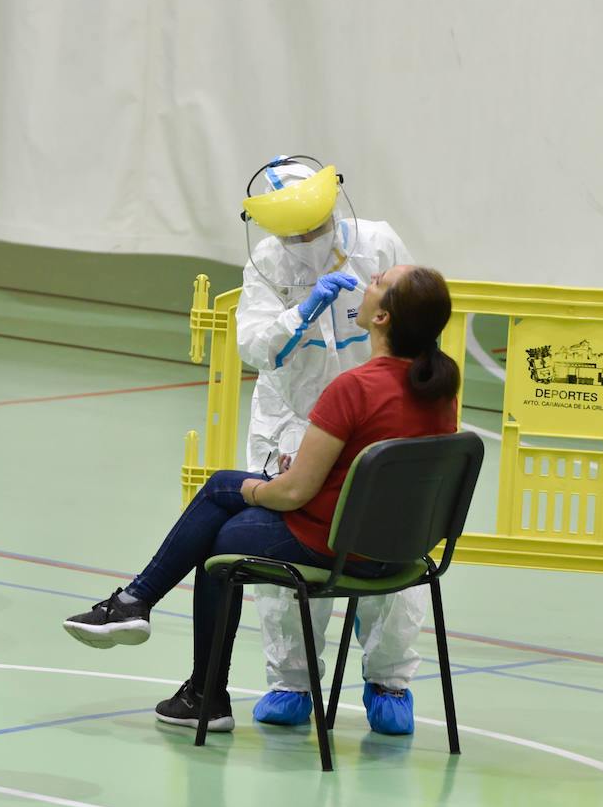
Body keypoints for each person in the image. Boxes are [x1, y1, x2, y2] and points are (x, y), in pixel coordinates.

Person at [62, 265, 460, 732]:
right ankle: (141, 615)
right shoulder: (439, 392)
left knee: (219, 523)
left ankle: (189, 675)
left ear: (381, 318)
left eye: (378, 282)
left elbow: (293, 494)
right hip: (402, 554)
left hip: (336, 548)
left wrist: (256, 488)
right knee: (224, 511)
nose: (368, 279)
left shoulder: (353, 388)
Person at [234, 155, 426, 735]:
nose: (307, 240)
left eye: (314, 226)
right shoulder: (266, 262)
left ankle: (389, 680)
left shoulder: (378, 243)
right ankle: (292, 681)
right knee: (289, 551)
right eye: (295, 231)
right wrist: (301, 311)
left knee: (387, 544)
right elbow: (255, 348)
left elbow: (418, 319)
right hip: (294, 421)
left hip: (379, 421)